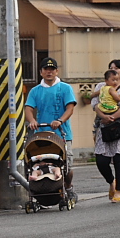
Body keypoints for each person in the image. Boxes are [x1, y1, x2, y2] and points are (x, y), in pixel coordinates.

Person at [25, 57, 77, 201]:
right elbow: (28, 108)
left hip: (62, 133)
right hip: (42, 135)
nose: (49, 72)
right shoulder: (35, 91)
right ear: (41, 72)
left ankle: (68, 187)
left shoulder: (65, 88)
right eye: (46, 69)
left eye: (52, 69)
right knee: (40, 164)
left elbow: (70, 108)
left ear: (57, 71)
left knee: (67, 165)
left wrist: (60, 120)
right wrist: (32, 121)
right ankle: (43, 192)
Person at [92, 59, 120, 203]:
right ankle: (111, 182)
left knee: (119, 158)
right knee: (101, 160)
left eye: (117, 68)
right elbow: (95, 104)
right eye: (111, 68)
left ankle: (119, 190)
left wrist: (112, 117)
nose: (114, 70)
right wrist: (104, 117)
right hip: (104, 126)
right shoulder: (101, 86)